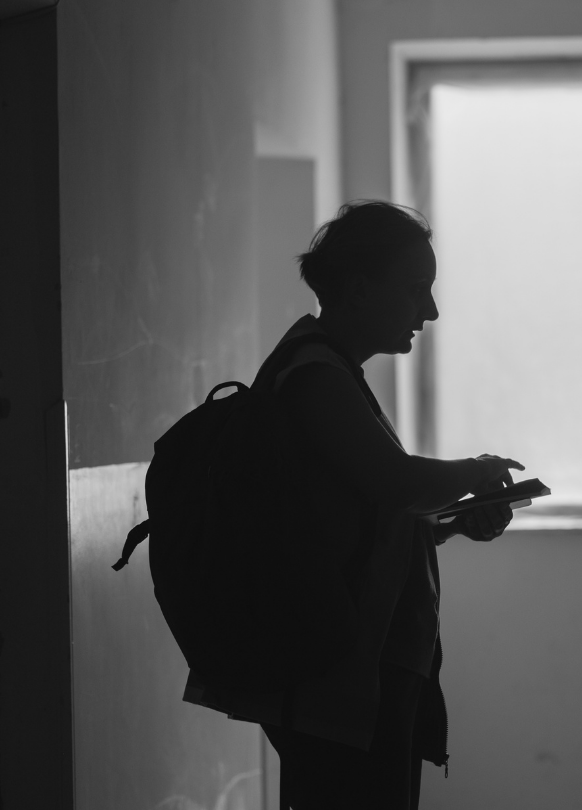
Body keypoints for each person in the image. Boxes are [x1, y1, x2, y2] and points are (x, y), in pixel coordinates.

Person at [186, 201, 523, 809]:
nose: (431, 310)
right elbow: (394, 483)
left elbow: (353, 526)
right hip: (338, 669)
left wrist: (447, 526)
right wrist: (475, 473)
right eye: (416, 288)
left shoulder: (330, 369)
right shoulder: (314, 374)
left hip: (357, 666)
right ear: (360, 288)